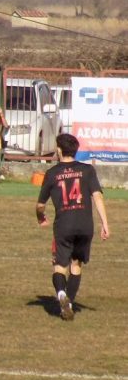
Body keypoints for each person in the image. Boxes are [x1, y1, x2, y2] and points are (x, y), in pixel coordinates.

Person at [35, 133, 110, 321]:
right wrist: (105, 223)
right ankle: (69, 303)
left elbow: (40, 205)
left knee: (60, 265)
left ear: (59, 150)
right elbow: (98, 196)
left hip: (64, 224)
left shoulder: (52, 173)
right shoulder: (87, 170)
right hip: (85, 224)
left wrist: (41, 217)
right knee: (76, 264)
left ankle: (61, 294)